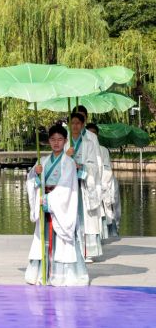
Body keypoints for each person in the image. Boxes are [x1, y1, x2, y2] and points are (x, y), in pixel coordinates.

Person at [24, 123, 89, 286]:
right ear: (49, 141)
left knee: (62, 239)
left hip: (59, 204)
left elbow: (67, 186)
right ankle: (43, 274)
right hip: (44, 203)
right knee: (43, 238)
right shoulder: (43, 161)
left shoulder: (69, 162)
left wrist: (48, 199)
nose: (56, 143)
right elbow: (31, 181)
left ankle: (62, 275)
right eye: (53, 139)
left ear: (65, 141)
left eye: (60, 139)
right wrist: (35, 174)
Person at [67, 111, 104, 261]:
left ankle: (88, 251)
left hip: (83, 184)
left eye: (78, 123)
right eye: (72, 123)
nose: (75, 126)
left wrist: (81, 166)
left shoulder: (89, 142)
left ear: (82, 125)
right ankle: (70, 250)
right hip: (68, 185)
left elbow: (95, 164)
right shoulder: (65, 142)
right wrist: (66, 156)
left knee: (86, 218)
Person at [86, 123, 120, 241]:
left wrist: (102, 184)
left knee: (107, 211)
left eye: (94, 133)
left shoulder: (103, 150)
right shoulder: (83, 148)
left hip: (103, 184)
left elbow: (107, 168)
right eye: (89, 133)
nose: (92, 136)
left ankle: (109, 234)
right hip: (89, 185)